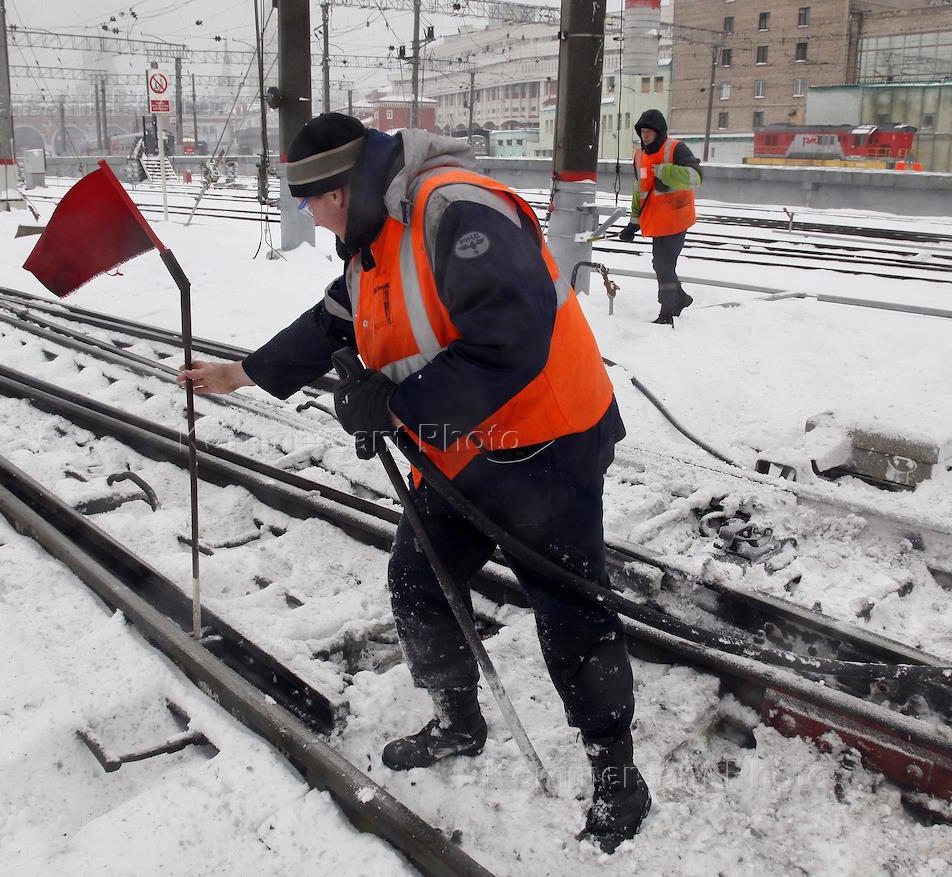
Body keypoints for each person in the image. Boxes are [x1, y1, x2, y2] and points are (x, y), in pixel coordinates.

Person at [179, 113, 650, 853]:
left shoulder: (453, 209)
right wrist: (238, 375)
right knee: (418, 580)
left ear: (339, 188)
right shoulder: (373, 240)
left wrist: (397, 405)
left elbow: (511, 337)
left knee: (570, 612)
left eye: (311, 199)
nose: (309, 214)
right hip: (464, 448)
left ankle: (617, 771)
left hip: (545, 442)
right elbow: (332, 322)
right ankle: (458, 719)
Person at [617, 109, 703, 326]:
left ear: (659, 132)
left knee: (663, 265)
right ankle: (680, 298)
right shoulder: (638, 156)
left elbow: (697, 177)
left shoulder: (676, 148)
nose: (645, 136)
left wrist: (667, 173)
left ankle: (667, 311)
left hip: (676, 218)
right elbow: (640, 193)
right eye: (642, 131)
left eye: (649, 132)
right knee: (662, 265)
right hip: (656, 221)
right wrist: (632, 224)